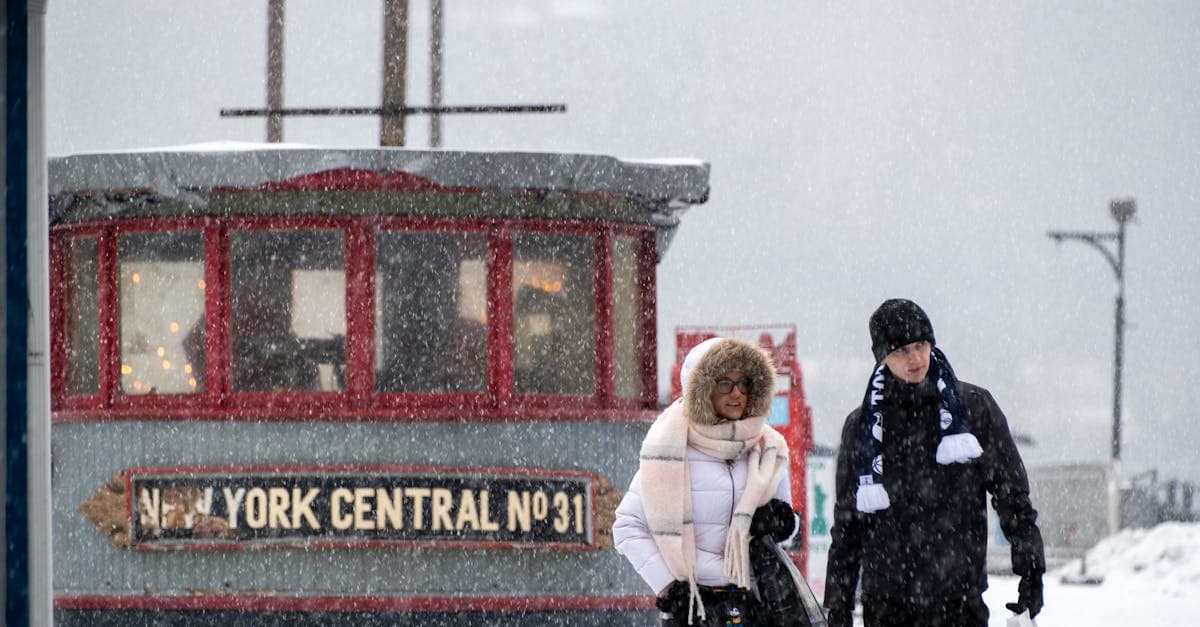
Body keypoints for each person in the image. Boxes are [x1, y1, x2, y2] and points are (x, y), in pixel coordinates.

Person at [823, 299, 1046, 627]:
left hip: (958, 598)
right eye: (901, 350)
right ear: (882, 357)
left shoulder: (973, 409)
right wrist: (838, 603)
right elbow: (848, 524)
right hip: (887, 603)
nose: (914, 358)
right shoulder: (862, 427)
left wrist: (1030, 569)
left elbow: (1012, 497)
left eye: (920, 345)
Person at [613, 336, 808, 626]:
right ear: (702, 390)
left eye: (744, 383)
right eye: (724, 383)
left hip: (756, 604)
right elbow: (627, 527)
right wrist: (668, 587)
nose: (737, 393)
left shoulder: (769, 448)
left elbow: (787, 531)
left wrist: (779, 521)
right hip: (695, 608)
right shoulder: (670, 448)